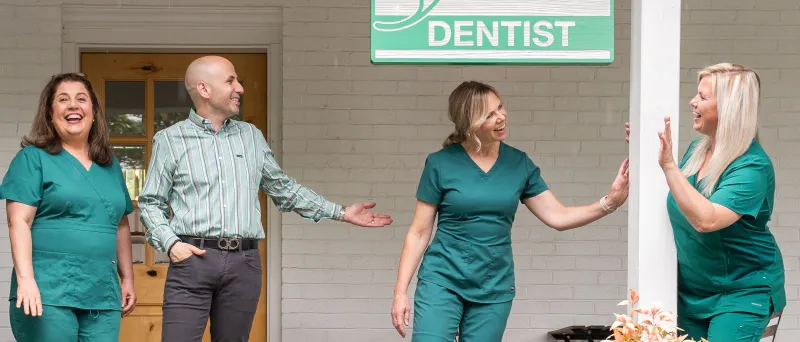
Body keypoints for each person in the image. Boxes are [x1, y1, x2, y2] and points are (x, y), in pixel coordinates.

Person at [138, 55, 393, 342]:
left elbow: (283, 189)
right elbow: (151, 202)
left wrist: (341, 212)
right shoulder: (170, 140)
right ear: (204, 89)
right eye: (231, 81)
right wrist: (172, 244)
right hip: (192, 261)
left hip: (243, 264)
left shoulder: (251, 136)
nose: (240, 88)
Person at [390, 81, 630, 341]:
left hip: (494, 285)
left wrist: (610, 202)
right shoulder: (440, 163)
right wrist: (400, 293)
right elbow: (419, 232)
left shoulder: (518, 164)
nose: (501, 117)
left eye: (500, 108)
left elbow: (558, 217)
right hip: (442, 279)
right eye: (489, 115)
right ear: (469, 123)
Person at [635, 63, 785, 341]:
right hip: (692, 292)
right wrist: (643, 147)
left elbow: (707, 219)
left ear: (730, 108)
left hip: (742, 292)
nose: (692, 102)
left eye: (703, 97)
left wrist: (669, 166)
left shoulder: (751, 166)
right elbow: (681, 197)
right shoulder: (697, 151)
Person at [0, 73, 137, 341]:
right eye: (63, 99)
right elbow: (19, 222)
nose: (73, 105)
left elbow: (120, 223)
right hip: (47, 290)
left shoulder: (110, 164)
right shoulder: (32, 158)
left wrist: (128, 279)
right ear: (50, 114)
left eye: (81, 99)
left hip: (102, 291)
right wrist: (26, 280)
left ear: (94, 112)